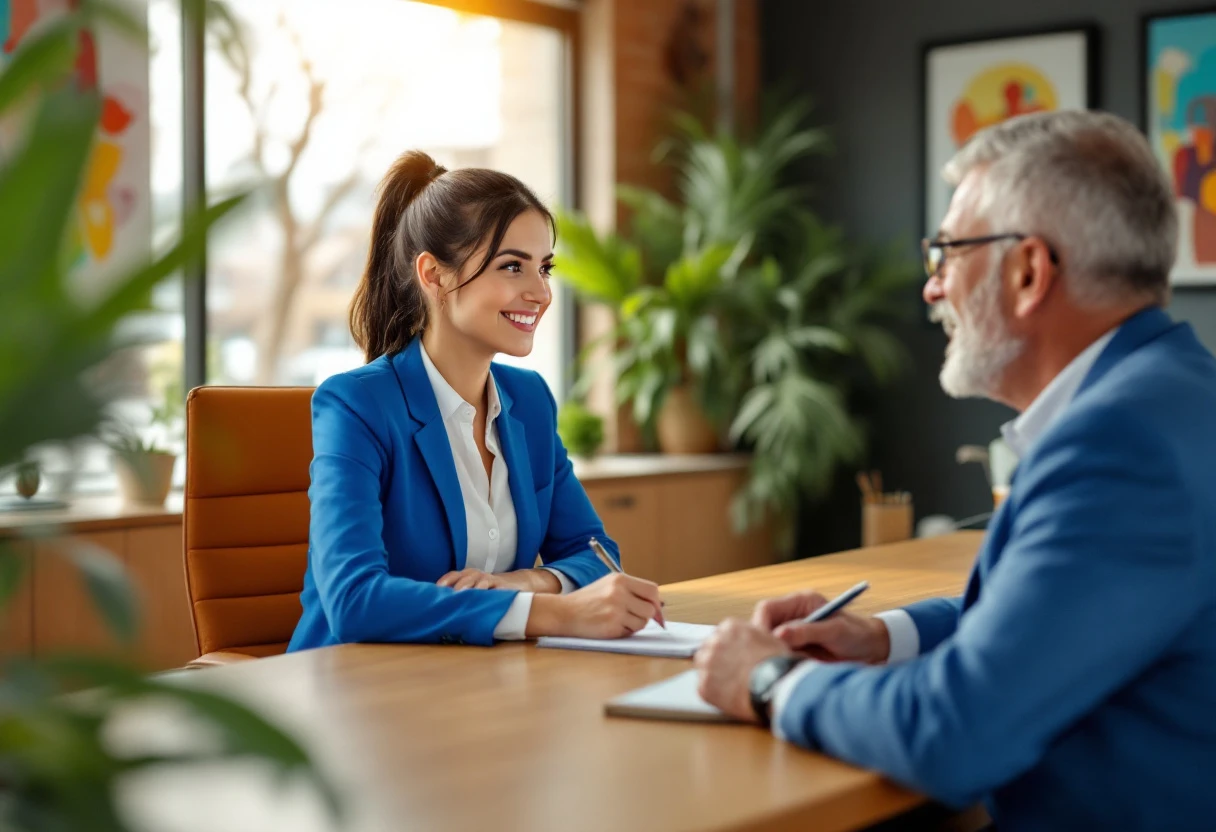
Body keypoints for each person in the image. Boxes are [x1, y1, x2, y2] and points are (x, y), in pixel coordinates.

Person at [695, 110, 1216, 829]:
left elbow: (954, 733)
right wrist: (884, 637)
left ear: (1029, 271)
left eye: (946, 254)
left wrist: (765, 679)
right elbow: (1053, 619)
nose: (932, 289)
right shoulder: (1175, 393)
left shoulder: (1119, 445)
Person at [288, 151, 663, 650]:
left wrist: (522, 583)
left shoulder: (527, 401)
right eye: (512, 267)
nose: (541, 293)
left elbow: (594, 554)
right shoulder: (357, 405)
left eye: (544, 268)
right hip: (352, 691)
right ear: (434, 274)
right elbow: (355, 601)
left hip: (470, 683)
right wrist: (552, 612)